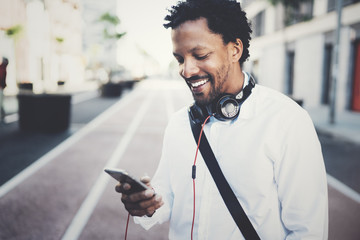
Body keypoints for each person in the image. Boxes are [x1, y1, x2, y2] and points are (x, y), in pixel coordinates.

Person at [115, 0, 328, 239]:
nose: (187, 70)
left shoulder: (287, 120)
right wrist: (148, 204)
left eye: (200, 55)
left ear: (235, 49)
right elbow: (168, 195)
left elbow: (308, 230)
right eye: (180, 59)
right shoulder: (179, 123)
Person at [0, 56, 9, 123]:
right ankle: (2, 116)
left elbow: (2, 78)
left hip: (1, 87)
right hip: (1, 87)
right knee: (1, 103)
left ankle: (2, 117)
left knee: (1, 103)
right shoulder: (2, 68)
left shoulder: (3, 68)